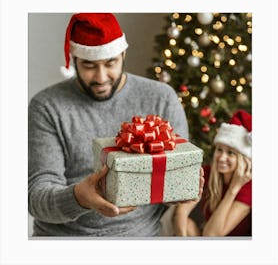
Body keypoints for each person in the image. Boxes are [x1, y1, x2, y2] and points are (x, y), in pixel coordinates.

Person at [28, 13, 201, 237]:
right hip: (64, 240)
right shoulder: (47, 106)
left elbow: (173, 181)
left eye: (111, 63)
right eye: (89, 65)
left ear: (123, 54)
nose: (101, 77)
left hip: (138, 237)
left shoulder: (161, 98)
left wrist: (180, 187)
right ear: (74, 59)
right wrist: (79, 198)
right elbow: (37, 199)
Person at [171, 110, 252, 236]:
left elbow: (212, 235)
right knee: (187, 225)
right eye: (219, 150)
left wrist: (233, 189)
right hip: (206, 237)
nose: (222, 157)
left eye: (230, 153)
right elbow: (180, 212)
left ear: (242, 159)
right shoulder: (208, 172)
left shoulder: (249, 186)